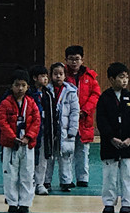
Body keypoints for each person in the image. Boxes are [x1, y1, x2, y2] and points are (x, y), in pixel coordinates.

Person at [96, 62, 130, 213]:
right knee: (109, 176)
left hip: (127, 144)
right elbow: (101, 120)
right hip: (110, 144)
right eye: (121, 77)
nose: (125, 80)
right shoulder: (104, 98)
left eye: (126, 77)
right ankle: (109, 203)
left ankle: (128, 202)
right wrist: (111, 138)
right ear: (112, 79)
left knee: (127, 174)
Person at [0, 70, 41, 213]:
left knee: (27, 173)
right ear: (11, 86)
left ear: (28, 87)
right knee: (10, 174)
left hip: (27, 142)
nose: (20, 88)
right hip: (11, 143)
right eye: (17, 85)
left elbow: (36, 121)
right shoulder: (5, 103)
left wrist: (28, 136)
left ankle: (25, 202)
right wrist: (12, 137)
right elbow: (2, 122)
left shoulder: (32, 103)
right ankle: (12, 202)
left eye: (23, 85)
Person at [64, 45, 101, 187]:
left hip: (85, 119)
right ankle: (67, 179)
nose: (74, 62)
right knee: (67, 150)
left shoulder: (90, 77)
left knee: (83, 150)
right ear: (66, 60)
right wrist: (71, 112)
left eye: (77, 59)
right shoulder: (62, 75)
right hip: (67, 119)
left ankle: (82, 178)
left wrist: (84, 111)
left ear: (82, 60)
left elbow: (95, 95)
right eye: (71, 59)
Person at [47, 62, 79, 192]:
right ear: (51, 76)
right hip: (50, 130)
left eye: (61, 74)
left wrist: (73, 129)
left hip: (65, 130)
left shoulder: (71, 91)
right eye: (55, 74)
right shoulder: (46, 90)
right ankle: (46, 181)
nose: (58, 76)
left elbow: (75, 112)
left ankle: (66, 181)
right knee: (48, 157)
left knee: (65, 156)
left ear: (65, 76)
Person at [29, 65, 55, 196]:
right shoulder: (29, 94)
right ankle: (30, 183)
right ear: (35, 78)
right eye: (42, 76)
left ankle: (40, 183)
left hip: (45, 130)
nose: (45, 79)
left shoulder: (48, 94)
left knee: (43, 159)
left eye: (46, 76)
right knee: (30, 158)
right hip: (32, 132)